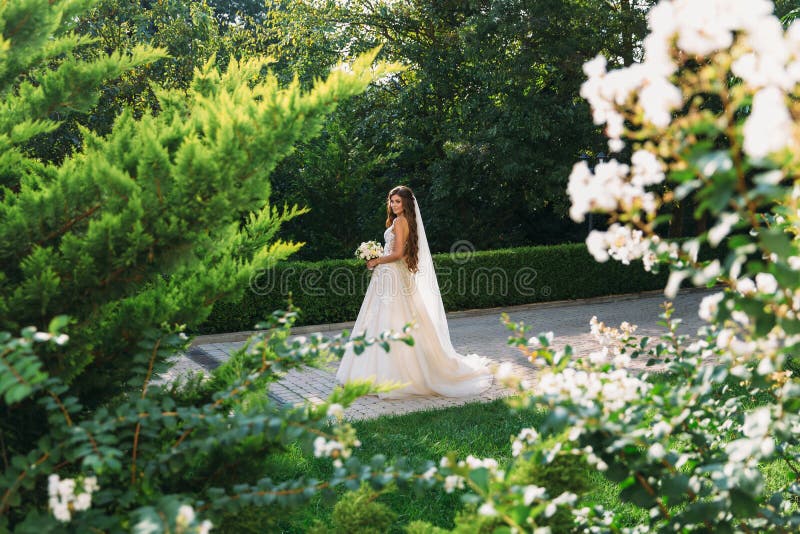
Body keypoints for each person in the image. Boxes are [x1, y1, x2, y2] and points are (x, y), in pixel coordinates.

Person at [335, 185, 493, 398]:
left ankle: (390, 376)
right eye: (391, 201)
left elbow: (399, 253)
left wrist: (376, 259)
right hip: (389, 275)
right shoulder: (400, 221)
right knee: (384, 320)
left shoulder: (400, 222)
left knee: (390, 320)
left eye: (398, 201)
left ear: (406, 203)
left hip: (392, 275)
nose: (393, 205)